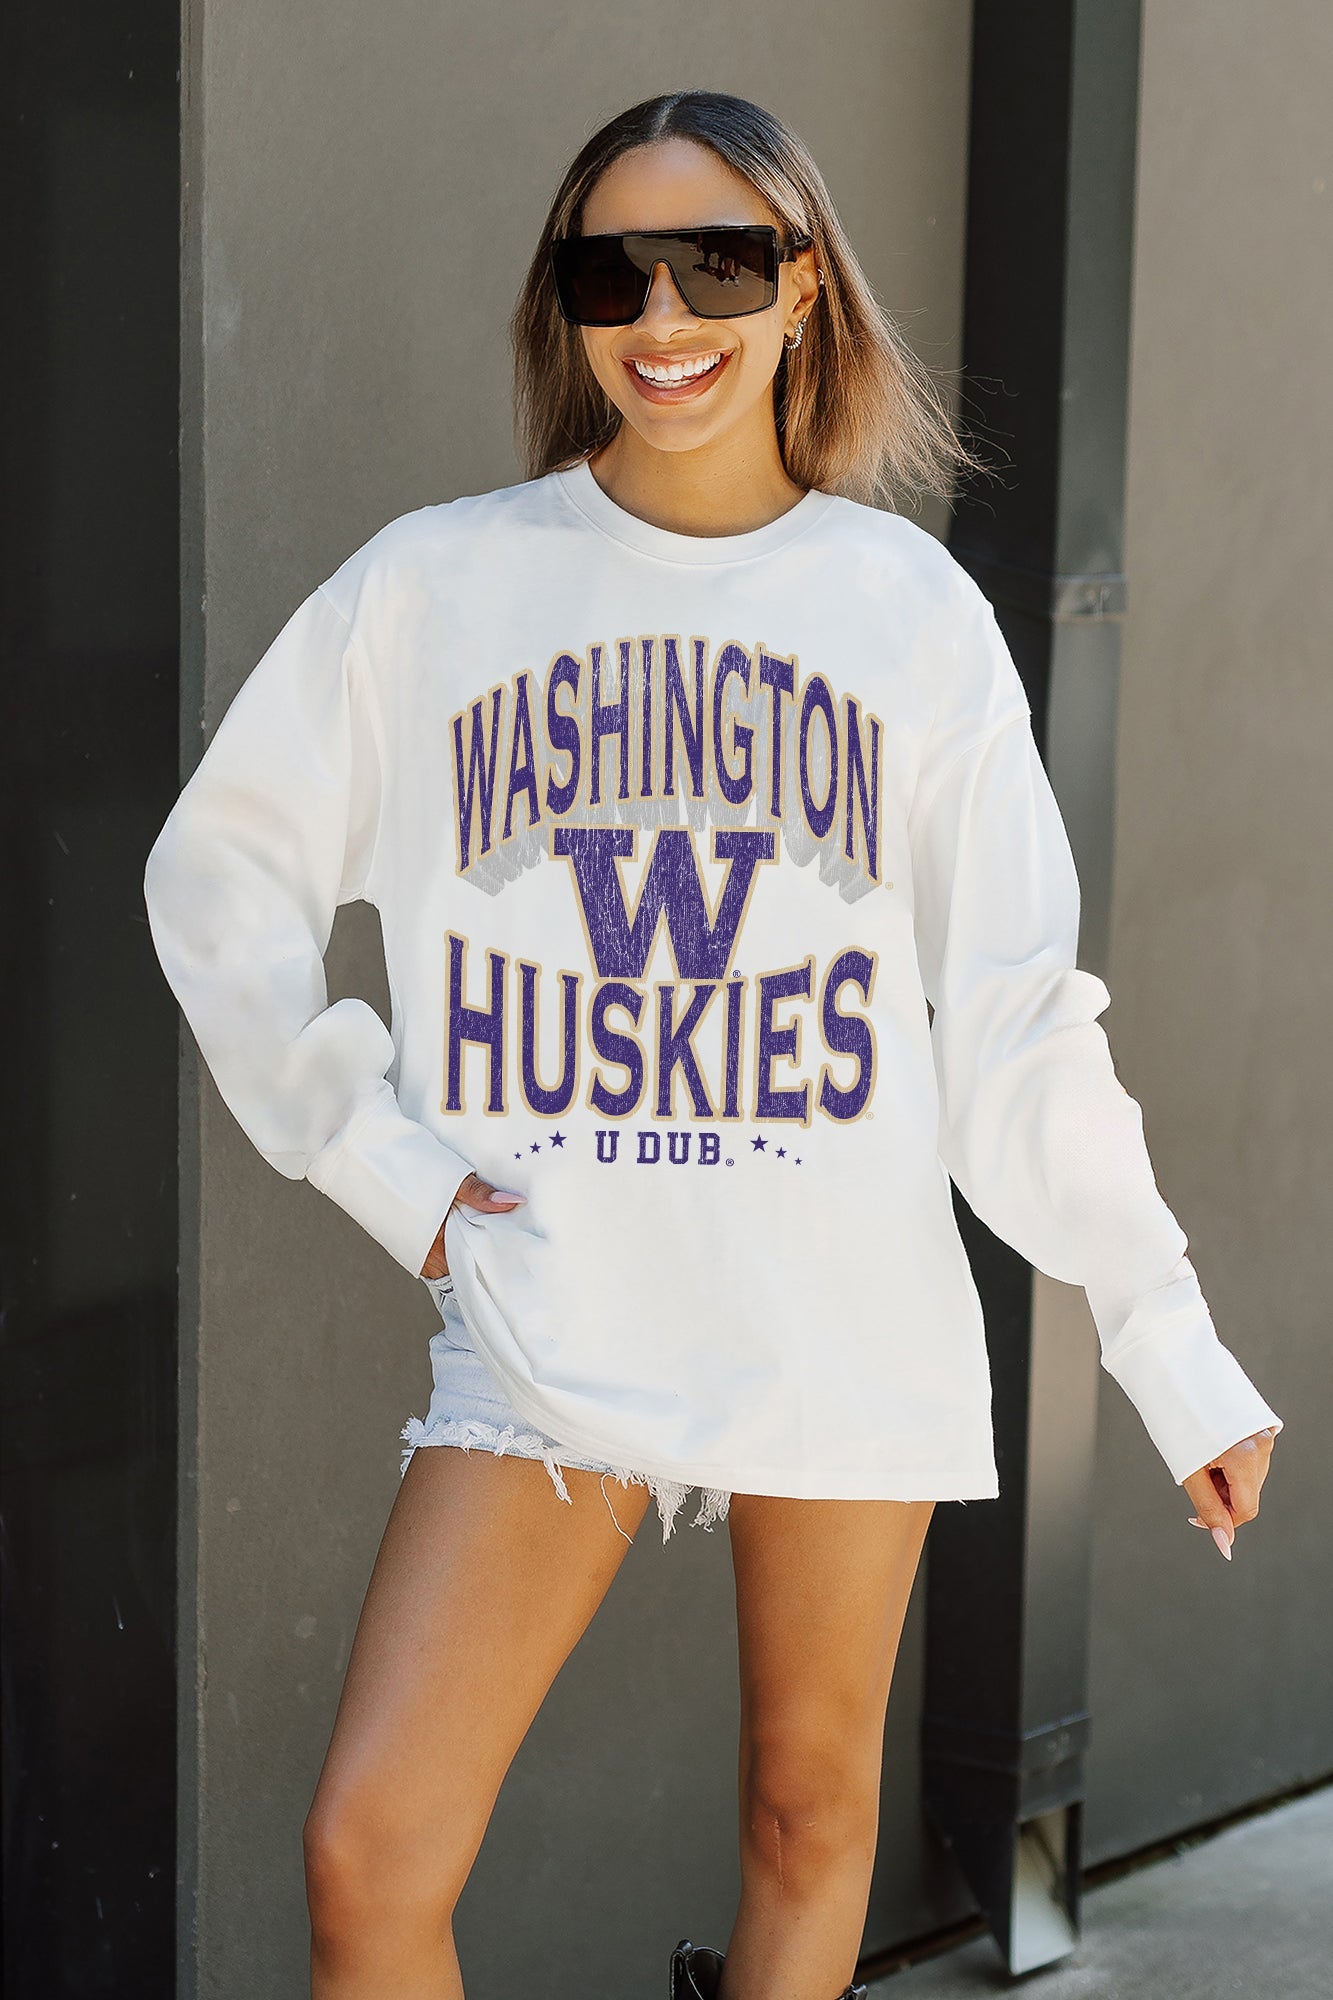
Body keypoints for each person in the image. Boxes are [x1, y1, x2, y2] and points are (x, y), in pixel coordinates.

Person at [142, 88, 1283, 2000]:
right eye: (612, 272)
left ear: (803, 286)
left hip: (834, 1299)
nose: (662, 316)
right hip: (548, 1308)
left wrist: (1163, 1338)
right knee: (370, 1850)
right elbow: (218, 876)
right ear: (566, 303)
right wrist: (389, 1172)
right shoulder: (436, 588)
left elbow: (1015, 1017)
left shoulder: (905, 614)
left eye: (718, 263)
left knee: (806, 1821)